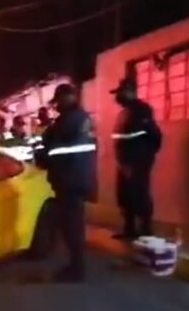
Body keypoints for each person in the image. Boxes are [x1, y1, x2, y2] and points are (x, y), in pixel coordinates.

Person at [38, 84, 97, 282]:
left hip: (69, 179)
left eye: (59, 100)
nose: (57, 105)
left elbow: (52, 149)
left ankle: (76, 270)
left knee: (72, 225)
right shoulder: (81, 118)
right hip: (76, 178)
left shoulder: (69, 120)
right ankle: (75, 266)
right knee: (72, 224)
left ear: (68, 97)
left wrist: (44, 147)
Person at [110, 78, 162, 239]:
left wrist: (142, 158)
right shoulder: (125, 112)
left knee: (139, 193)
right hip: (124, 161)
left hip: (137, 161)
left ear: (130, 92)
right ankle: (129, 229)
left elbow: (155, 137)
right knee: (125, 195)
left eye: (120, 92)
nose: (118, 96)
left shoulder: (141, 110)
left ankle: (145, 229)